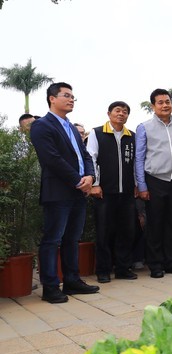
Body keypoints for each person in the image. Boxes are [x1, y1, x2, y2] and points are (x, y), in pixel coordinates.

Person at [29, 82, 100, 303]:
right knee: (53, 239)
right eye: (66, 95)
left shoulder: (70, 126)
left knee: (72, 238)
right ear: (52, 98)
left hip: (79, 191)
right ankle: (50, 287)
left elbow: (85, 156)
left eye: (73, 97)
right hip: (58, 191)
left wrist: (90, 177)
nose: (71, 100)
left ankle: (72, 281)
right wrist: (78, 180)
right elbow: (52, 159)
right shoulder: (42, 125)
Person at [135, 88, 172, 278]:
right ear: (153, 106)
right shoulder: (145, 127)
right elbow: (139, 158)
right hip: (154, 180)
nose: (165, 105)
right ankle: (155, 264)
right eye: (160, 102)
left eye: (168, 102)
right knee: (155, 224)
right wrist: (142, 186)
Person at [87, 101, 138, 283]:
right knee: (104, 232)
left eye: (125, 111)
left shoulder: (131, 136)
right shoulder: (97, 133)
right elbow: (90, 157)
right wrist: (95, 183)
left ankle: (123, 268)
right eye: (117, 111)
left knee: (126, 231)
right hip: (104, 191)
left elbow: (135, 162)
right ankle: (103, 270)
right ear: (109, 113)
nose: (121, 114)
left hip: (127, 192)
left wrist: (137, 183)